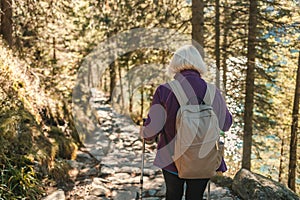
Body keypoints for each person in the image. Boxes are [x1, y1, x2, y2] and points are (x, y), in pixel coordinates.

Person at [142, 44, 232, 200]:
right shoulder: (212, 91)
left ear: (174, 64)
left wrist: (146, 136)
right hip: (203, 158)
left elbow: (152, 129)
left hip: (171, 159)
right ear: (199, 64)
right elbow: (226, 124)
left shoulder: (165, 91)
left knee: (173, 195)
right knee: (196, 197)